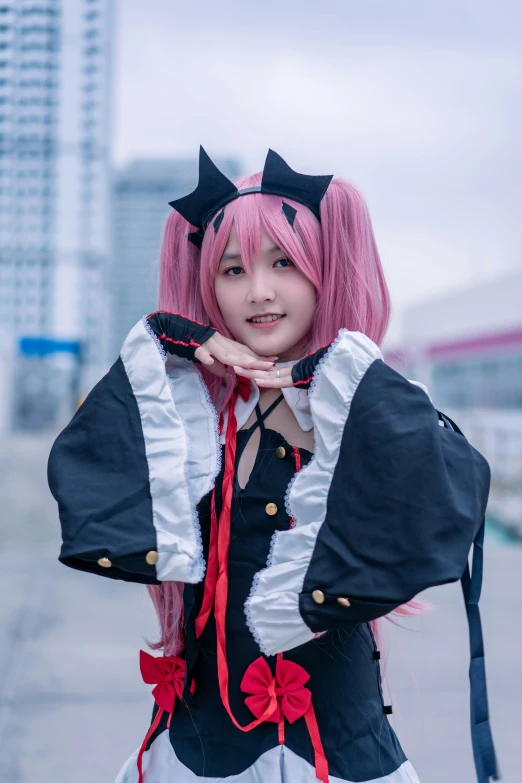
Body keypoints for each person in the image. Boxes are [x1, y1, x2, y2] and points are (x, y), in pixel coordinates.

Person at [47, 148, 498, 783]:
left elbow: (447, 487)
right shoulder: (194, 422)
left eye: (283, 262)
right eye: (231, 270)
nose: (258, 291)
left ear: (325, 270)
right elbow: (94, 454)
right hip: (189, 753)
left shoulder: (357, 416)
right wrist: (175, 336)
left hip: (331, 759)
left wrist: (329, 372)